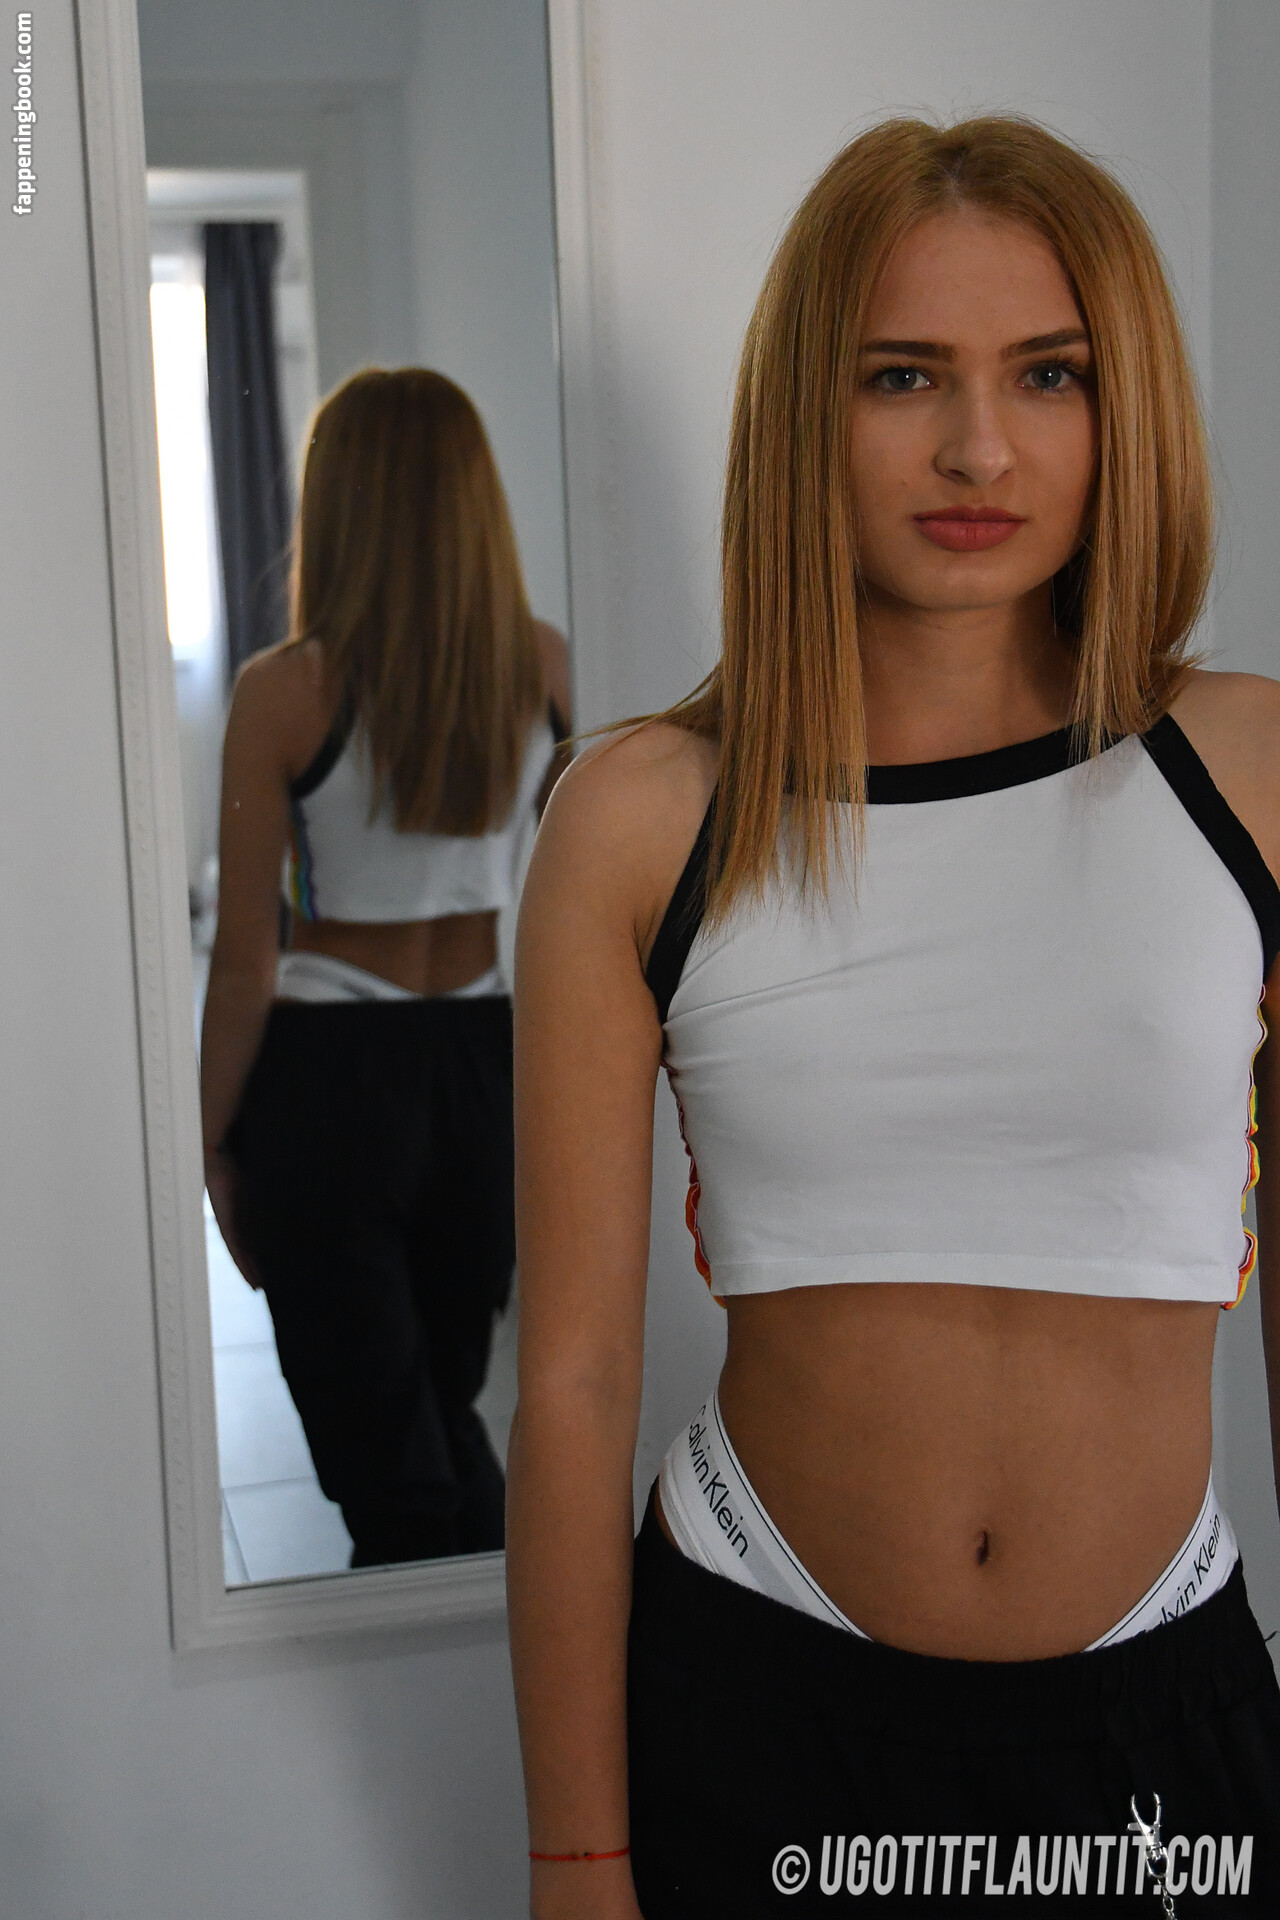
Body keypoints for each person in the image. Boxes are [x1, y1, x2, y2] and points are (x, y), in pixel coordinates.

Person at [507, 116, 1280, 1917]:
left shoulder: (1249, 774)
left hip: (1164, 1712)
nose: (978, 448)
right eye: (903, 374)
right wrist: (577, 1862)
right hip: (759, 1686)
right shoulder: (642, 818)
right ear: (810, 411)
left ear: (1125, 408)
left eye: (1049, 375)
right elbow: (572, 1384)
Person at [201, 366, 570, 1568]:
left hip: (329, 1080)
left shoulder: (282, 691)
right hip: (485, 1069)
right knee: (442, 1424)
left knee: (391, 1475)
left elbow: (245, 959)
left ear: (337, 504)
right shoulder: (545, 667)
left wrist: (207, 1144)